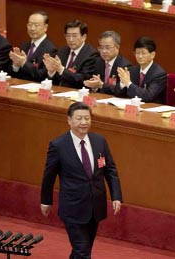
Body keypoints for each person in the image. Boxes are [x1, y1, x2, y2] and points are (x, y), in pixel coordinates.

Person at [40, 102, 123, 259]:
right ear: (69, 120)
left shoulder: (99, 141)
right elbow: (49, 176)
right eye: (79, 118)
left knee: (82, 251)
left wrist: (116, 196)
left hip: (95, 207)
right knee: (82, 251)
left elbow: (110, 170)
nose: (84, 122)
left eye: (87, 118)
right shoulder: (58, 145)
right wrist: (46, 201)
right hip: (72, 208)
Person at [43, 20, 98, 88]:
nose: (71, 39)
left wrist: (61, 69)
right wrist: (52, 72)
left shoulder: (91, 55)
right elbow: (57, 80)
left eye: (74, 36)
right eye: (68, 36)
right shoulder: (62, 51)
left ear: (84, 37)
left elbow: (83, 80)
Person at [115, 37, 167, 104]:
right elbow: (117, 93)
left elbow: (148, 96)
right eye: (137, 53)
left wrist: (128, 83)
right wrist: (123, 83)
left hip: (151, 110)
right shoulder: (132, 70)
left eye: (143, 53)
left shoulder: (159, 74)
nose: (140, 56)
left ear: (152, 55)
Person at [9, 11, 57, 82]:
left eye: (36, 25)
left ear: (45, 27)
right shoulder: (24, 45)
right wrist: (16, 65)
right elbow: (13, 75)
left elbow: (43, 76)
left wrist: (23, 63)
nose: (32, 28)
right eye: (30, 24)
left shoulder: (50, 49)